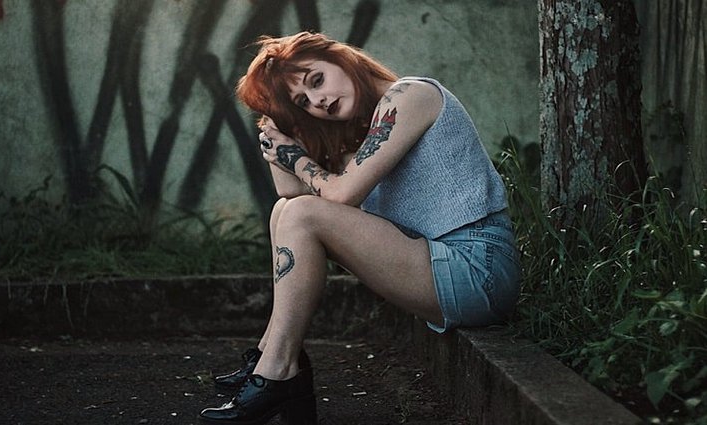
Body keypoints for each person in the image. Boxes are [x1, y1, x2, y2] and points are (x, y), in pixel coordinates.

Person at [198, 31, 521, 425]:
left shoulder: (410, 96)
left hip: (478, 269)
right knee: (286, 211)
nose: (318, 100)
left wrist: (294, 155)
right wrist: (279, 125)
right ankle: (274, 358)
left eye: (317, 80)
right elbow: (289, 192)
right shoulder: (363, 133)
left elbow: (340, 193)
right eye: (304, 102)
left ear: (340, 57)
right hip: (440, 264)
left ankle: (278, 372)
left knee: (303, 215)